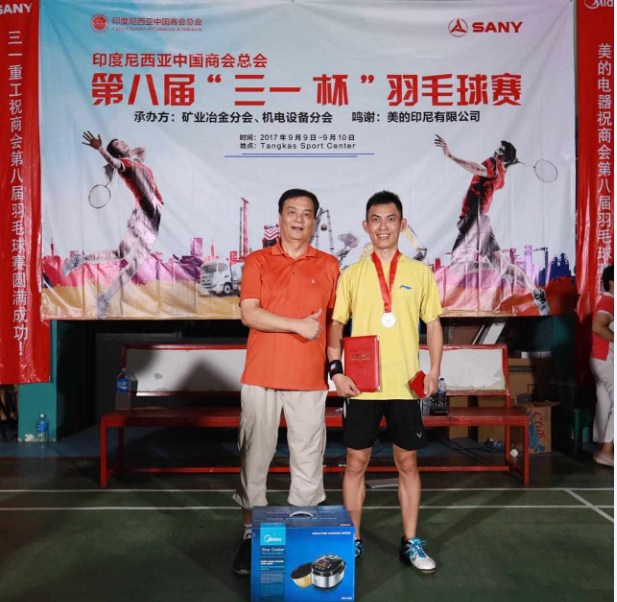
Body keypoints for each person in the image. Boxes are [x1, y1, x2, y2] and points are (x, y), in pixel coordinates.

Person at [328, 191, 443, 573]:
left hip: (406, 386)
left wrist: (434, 371)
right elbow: (336, 325)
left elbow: (434, 325)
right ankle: (353, 538)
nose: (383, 227)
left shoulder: (420, 273)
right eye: (375, 220)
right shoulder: (352, 274)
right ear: (366, 226)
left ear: (402, 224)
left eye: (390, 219)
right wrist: (336, 371)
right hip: (362, 387)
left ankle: (410, 541)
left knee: (407, 462)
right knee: (356, 462)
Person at [232, 189, 340, 575]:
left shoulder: (329, 264)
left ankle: (299, 538)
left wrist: (335, 368)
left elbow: (334, 324)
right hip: (261, 374)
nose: (299, 219)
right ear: (279, 218)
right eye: (292, 212)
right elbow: (250, 314)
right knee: (254, 457)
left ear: (315, 221)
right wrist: (297, 325)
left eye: (307, 214)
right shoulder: (258, 261)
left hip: (309, 379)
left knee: (308, 460)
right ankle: (251, 536)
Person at [434, 135, 550, 316]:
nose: (496, 151)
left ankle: (489, 267)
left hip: (474, 222)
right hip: (480, 222)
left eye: (501, 151)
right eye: (498, 148)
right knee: (503, 267)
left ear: (504, 158)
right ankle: (536, 291)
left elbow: (476, 168)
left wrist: (451, 156)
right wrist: (508, 164)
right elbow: (494, 173)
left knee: (457, 267)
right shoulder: (501, 175)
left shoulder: (493, 164)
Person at [62, 132, 164, 319]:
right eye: (117, 144)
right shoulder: (122, 165)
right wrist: (101, 149)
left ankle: (104, 299)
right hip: (142, 216)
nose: (122, 142)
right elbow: (112, 161)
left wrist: (129, 153)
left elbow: (142, 149)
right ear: (116, 153)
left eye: (121, 141)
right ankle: (80, 259)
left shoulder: (136, 162)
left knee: (135, 265)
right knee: (120, 254)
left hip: (155, 218)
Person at [591, 264, 614, 467]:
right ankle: (607, 451)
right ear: (612, 282)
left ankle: (600, 448)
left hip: (600, 360)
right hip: (606, 360)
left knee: (605, 404)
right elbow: (598, 327)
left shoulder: (608, 300)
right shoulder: (609, 301)